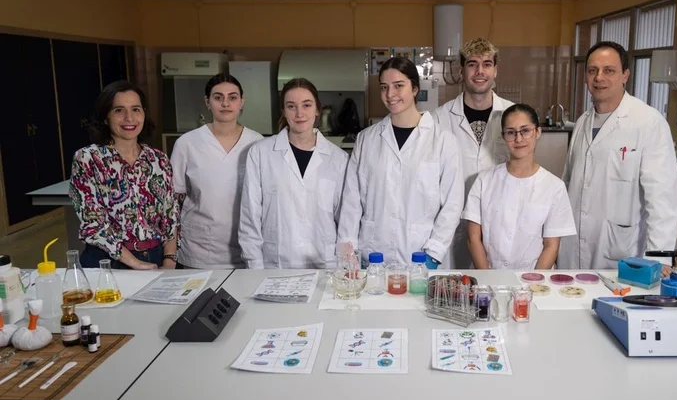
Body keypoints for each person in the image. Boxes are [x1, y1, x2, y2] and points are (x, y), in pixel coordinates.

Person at [558, 41, 677, 273]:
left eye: (609, 70)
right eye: (592, 70)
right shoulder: (583, 121)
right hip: (573, 246)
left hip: (622, 249)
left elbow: (663, 201)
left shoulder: (648, 122)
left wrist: (659, 258)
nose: (599, 77)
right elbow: (568, 183)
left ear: (625, 75)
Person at [338, 57, 464, 268]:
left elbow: (452, 205)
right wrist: (348, 253)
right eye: (384, 87)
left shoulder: (443, 141)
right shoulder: (366, 139)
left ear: (415, 88)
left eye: (399, 86)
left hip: (422, 256)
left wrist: (433, 254)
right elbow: (351, 202)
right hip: (374, 256)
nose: (390, 94)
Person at [238, 78, 348, 269]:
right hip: (276, 263)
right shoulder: (261, 153)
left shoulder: (338, 158)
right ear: (283, 111)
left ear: (317, 109)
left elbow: (345, 219)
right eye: (291, 106)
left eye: (306, 105)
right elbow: (250, 216)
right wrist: (254, 267)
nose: (299, 113)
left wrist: (344, 265)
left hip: (325, 263)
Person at [69, 80, 178, 269]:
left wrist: (169, 259)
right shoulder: (88, 159)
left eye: (136, 109)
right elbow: (93, 222)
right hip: (108, 261)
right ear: (105, 117)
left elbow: (170, 215)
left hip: (156, 256)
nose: (129, 118)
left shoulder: (158, 159)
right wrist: (135, 263)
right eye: (119, 110)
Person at [463, 104, 576, 270]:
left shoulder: (554, 187)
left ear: (538, 132)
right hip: (488, 279)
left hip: (533, 282)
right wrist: (487, 280)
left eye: (525, 131)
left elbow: (551, 246)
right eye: (511, 132)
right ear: (503, 136)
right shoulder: (484, 180)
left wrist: (533, 284)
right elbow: (473, 238)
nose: (518, 139)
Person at [433, 38, 514, 269]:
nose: (480, 71)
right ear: (461, 70)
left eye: (487, 64)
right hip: (453, 224)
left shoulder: (512, 115)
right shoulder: (438, 119)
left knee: (496, 291)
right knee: (451, 292)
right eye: (472, 64)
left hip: (498, 222)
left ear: (496, 70)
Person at [169, 73, 263, 269]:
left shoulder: (257, 143)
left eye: (232, 97)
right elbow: (173, 201)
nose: (225, 103)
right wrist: (169, 253)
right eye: (218, 97)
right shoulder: (187, 143)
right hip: (200, 249)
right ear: (207, 102)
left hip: (247, 248)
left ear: (242, 102)